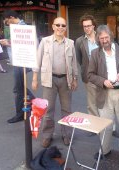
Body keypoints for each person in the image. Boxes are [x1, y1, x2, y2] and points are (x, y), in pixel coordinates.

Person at [88, 25, 119, 170]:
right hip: (105, 94)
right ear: (98, 39)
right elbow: (90, 75)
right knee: (105, 126)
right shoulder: (95, 53)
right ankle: (105, 150)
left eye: (106, 37)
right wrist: (103, 82)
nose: (104, 40)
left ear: (111, 36)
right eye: (101, 38)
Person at [32, 17, 78, 148]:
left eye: (63, 25)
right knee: (48, 110)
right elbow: (38, 60)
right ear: (53, 26)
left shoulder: (70, 43)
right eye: (57, 25)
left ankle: (66, 135)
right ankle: (47, 136)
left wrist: (75, 78)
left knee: (67, 110)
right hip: (49, 80)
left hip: (66, 80)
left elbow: (74, 62)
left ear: (65, 28)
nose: (60, 27)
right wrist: (35, 78)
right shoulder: (45, 42)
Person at [0, 10, 35, 123]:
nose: (7, 24)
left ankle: (20, 113)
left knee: (18, 89)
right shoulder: (19, 27)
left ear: (11, 17)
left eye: (7, 21)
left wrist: (8, 43)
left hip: (21, 62)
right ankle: (34, 103)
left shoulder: (22, 27)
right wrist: (8, 41)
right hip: (18, 61)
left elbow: (25, 44)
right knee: (21, 88)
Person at [75, 14, 99, 117]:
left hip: (104, 76)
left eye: (89, 26)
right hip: (89, 76)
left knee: (108, 102)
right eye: (85, 26)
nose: (87, 28)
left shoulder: (101, 37)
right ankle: (95, 125)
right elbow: (79, 59)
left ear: (93, 25)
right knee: (92, 103)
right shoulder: (80, 41)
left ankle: (110, 127)